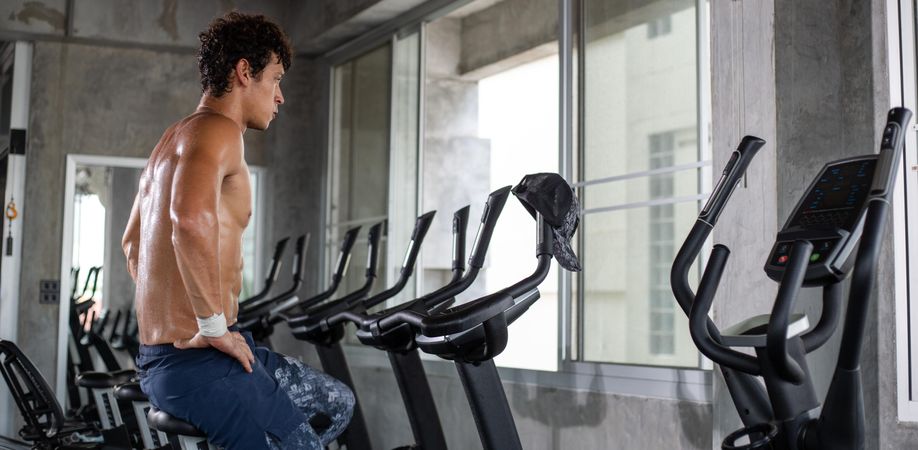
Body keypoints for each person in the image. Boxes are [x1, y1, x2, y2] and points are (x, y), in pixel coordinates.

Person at [121, 11, 354, 450]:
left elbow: (133, 245)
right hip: (198, 363)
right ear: (245, 72)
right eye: (276, 79)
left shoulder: (169, 142)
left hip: (177, 357)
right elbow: (189, 221)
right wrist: (209, 325)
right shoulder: (220, 131)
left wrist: (180, 318)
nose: (280, 96)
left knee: (336, 403)